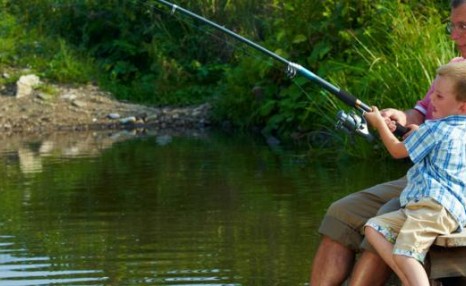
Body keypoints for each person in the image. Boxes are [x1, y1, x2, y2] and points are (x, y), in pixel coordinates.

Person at [309, 1, 466, 285]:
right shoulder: (453, 69)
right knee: (341, 212)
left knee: (385, 220)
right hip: (422, 179)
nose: (455, 36)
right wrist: (399, 116)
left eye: (463, 27)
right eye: (452, 26)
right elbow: (422, 111)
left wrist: (430, 136)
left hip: (451, 190)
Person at [363, 61, 466, 286]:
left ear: (463, 106)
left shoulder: (435, 128)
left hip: (432, 207)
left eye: (439, 97)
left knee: (405, 254)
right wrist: (419, 134)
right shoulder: (454, 130)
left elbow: (396, 150)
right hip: (445, 211)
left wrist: (379, 123)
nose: (431, 102)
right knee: (374, 227)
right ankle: (411, 280)